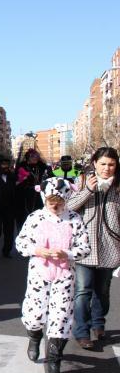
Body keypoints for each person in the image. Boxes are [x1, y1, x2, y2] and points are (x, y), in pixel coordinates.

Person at [15, 177, 90, 373]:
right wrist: (37, 250)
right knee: (34, 314)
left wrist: (69, 254)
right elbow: (21, 243)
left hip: (64, 274)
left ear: (66, 200)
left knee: (61, 315)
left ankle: (55, 357)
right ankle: (34, 336)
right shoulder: (35, 218)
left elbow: (85, 247)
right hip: (39, 273)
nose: (55, 206)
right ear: (44, 199)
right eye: (51, 202)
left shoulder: (74, 219)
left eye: (60, 203)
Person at [66, 147, 120, 350]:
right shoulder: (82, 181)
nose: (107, 168)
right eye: (103, 164)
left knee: (103, 291)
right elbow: (69, 208)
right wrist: (88, 190)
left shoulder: (118, 185)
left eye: (111, 164)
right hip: (84, 247)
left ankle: (98, 323)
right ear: (95, 163)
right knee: (82, 291)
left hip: (110, 246)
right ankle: (82, 332)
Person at [15, 149, 52, 230]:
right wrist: (30, 187)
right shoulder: (22, 168)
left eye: (37, 156)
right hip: (25, 197)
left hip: (39, 197)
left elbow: (50, 178)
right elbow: (18, 184)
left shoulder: (41, 167)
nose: (35, 158)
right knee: (25, 219)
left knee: (39, 219)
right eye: (33, 156)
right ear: (28, 157)